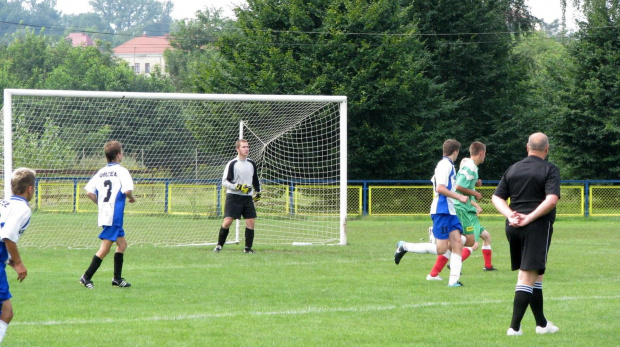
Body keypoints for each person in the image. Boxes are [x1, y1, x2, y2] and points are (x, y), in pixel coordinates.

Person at [492, 132, 561, 336]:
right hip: (536, 228)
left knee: (535, 275)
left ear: (527, 147)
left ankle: (542, 324)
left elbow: (497, 198)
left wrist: (511, 215)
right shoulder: (550, 169)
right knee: (526, 276)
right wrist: (529, 218)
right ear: (547, 149)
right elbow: (551, 200)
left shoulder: (513, 168)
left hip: (513, 228)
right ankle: (514, 328)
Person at [394, 139, 468, 287]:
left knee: (458, 243)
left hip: (450, 211)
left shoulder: (448, 165)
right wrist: (459, 196)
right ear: (456, 152)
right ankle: (404, 246)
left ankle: (453, 282)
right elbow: (440, 188)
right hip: (442, 210)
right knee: (441, 249)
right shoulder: (444, 165)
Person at [427, 142, 497, 281]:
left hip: (467, 209)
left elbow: (460, 185)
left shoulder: (471, 167)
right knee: (471, 242)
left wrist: (475, 185)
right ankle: (451, 264)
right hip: (463, 210)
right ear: (481, 153)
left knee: (484, 237)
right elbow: (458, 186)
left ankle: (436, 273)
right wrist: (475, 194)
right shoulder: (470, 166)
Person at [79, 140, 136, 289]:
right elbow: (127, 191)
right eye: (122, 152)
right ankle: (86, 277)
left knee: (122, 245)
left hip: (105, 213)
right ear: (118, 155)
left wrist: (101, 204)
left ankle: (117, 279)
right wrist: (132, 199)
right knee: (105, 248)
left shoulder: (101, 172)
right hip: (114, 214)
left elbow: (89, 193)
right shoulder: (122, 171)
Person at [0, 168, 36, 343]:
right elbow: (7, 235)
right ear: (30, 188)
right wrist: (19, 263)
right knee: (6, 312)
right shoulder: (22, 209)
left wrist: (9, 260)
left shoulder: (3, 204)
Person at [213, 139, 261, 253]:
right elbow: (225, 182)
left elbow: (255, 179)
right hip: (233, 197)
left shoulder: (251, 163)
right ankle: (219, 245)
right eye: (244, 147)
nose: (246, 149)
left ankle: (248, 248)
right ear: (237, 149)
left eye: (247, 147)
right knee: (228, 222)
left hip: (247, 197)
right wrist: (238, 186)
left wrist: (258, 192)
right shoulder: (232, 163)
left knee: (251, 221)